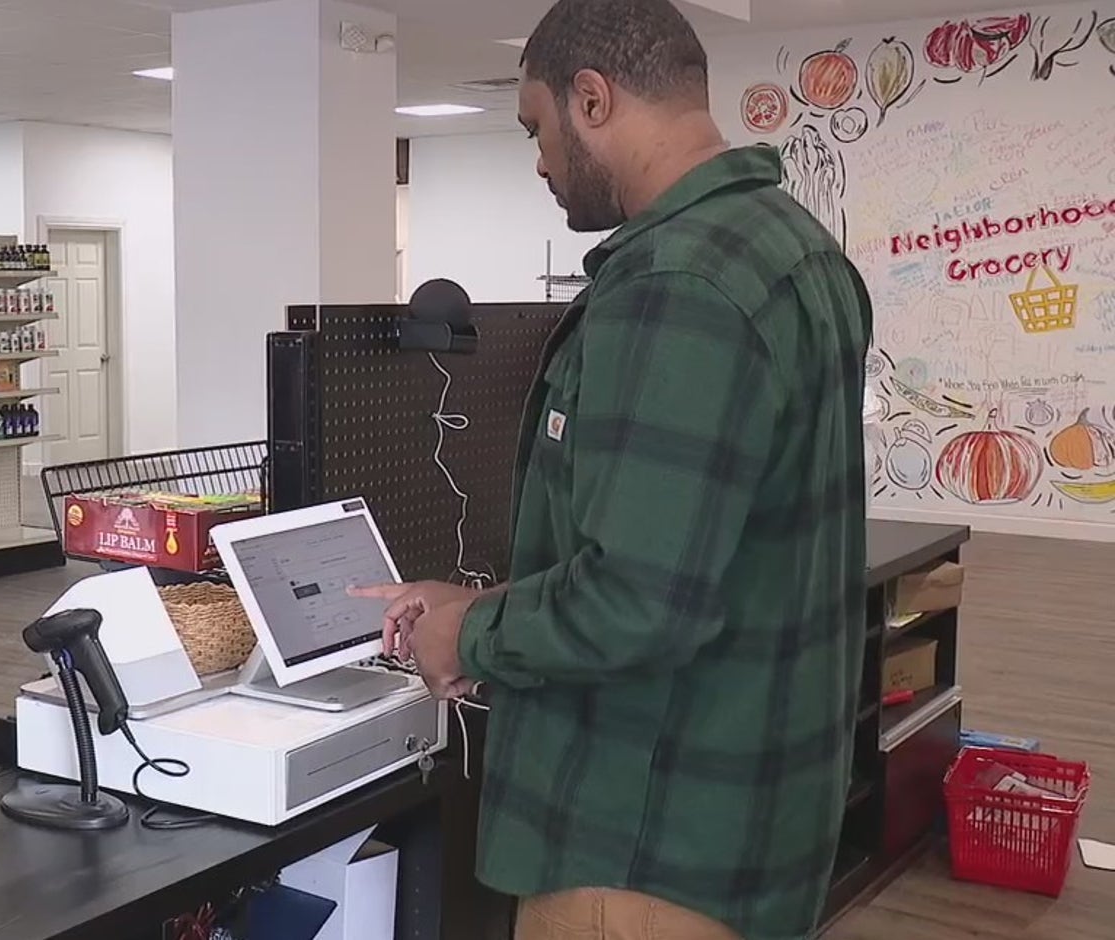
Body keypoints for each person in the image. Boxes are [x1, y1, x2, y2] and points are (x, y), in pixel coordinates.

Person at [353, 1, 872, 938]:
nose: (542, 164)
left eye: (536, 131)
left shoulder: (675, 285)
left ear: (591, 98)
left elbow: (639, 601)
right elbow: (684, 555)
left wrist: (468, 642)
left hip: (639, 847)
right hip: (752, 817)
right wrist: (481, 603)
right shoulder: (796, 248)